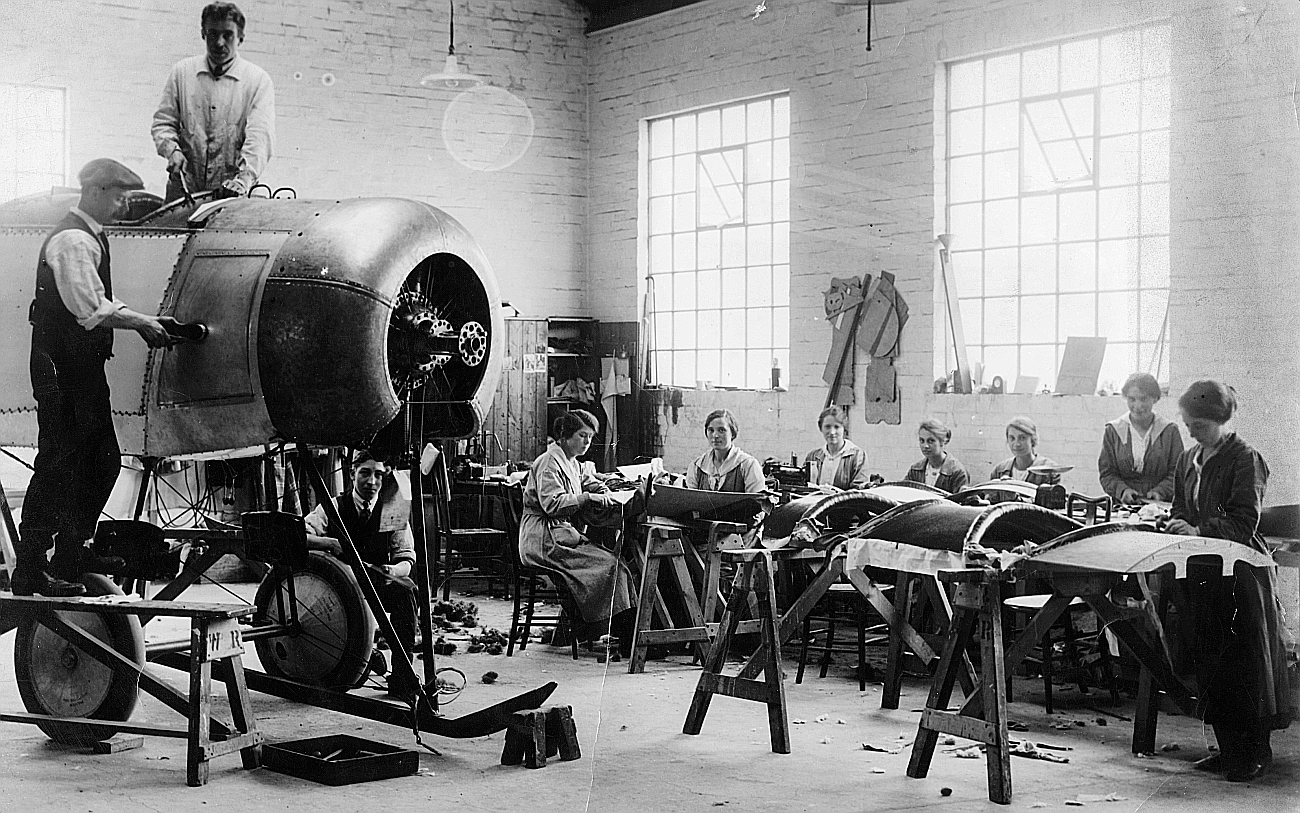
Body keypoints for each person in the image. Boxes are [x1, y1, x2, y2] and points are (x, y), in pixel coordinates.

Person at [12, 159, 171, 597]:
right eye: (119, 197)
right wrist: (142, 323)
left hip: (80, 367)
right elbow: (89, 309)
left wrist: (145, 318)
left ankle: (71, 553)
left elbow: (97, 298)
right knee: (59, 462)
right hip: (61, 368)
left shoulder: (91, 235)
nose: (124, 205)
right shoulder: (73, 239)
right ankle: (31, 568)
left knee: (102, 461)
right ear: (97, 192)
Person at [1163, 380, 1290, 782]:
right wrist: (1175, 523)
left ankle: (1256, 752)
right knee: (1212, 661)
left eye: (1199, 425)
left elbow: (1243, 520)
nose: (1191, 432)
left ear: (1221, 419)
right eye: (1187, 424)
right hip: (1203, 572)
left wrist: (1197, 529)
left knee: (1245, 663)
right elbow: (1180, 506)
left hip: (1241, 574)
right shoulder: (1189, 458)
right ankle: (1228, 749)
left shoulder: (1245, 458)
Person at [518, 410, 637, 655]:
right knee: (611, 565)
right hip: (544, 539)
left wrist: (602, 489)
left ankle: (612, 632)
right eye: (582, 436)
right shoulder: (549, 462)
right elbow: (552, 505)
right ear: (564, 436)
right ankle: (623, 637)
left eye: (590, 437)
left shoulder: (571, 461)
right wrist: (586, 498)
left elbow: (587, 480)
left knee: (614, 563)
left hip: (559, 535)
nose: (587, 442)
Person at [303, 449, 418, 679]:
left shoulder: (392, 509)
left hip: (375, 582)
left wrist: (393, 570)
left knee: (406, 591)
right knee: (354, 674)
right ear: (352, 474)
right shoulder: (334, 506)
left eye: (378, 475)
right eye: (365, 473)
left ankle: (402, 676)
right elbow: (300, 535)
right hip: (339, 588)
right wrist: (330, 542)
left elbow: (406, 558)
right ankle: (363, 657)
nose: (372, 481)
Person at [152, 2, 275, 202]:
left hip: (233, 194)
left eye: (228, 35)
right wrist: (172, 151)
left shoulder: (257, 81)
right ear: (203, 33)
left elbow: (260, 138)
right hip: (185, 190)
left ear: (241, 37)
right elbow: (163, 123)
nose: (219, 42)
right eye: (213, 34)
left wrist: (244, 179)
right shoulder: (182, 72)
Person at [1098, 372, 1184, 504]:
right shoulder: (1113, 430)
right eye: (1132, 399)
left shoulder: (1169, 431)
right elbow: (1107, 473)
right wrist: (1122, 491)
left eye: (1143, 399)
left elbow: (1178, 472)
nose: (1137, 406)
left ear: (1155, 398)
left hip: (1160, 506)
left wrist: (1161, 491)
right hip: (1122, 506)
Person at [687, 409, 765, 493]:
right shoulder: (697, 466)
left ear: (733, 433)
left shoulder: (748, 465)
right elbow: (691, 499)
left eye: (721, 430)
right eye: (711, 430)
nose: (715, 435)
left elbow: (756, 499)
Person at [804, 406, 870, 491]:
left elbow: (860, 491)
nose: (832, 432)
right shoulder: (813, 456)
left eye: (837, 427)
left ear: (844, 428)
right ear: (821, 428)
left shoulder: (858, 456)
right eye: (827, 427)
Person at [990, 416, 1062, 485]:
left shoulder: (1049, 470)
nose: (1017, 444)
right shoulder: (999, 470)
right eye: (1012, 438)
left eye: (1022, 438)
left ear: (1033, 439)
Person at [905, 417, 969, 493]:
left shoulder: (957, 472)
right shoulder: (915, 470)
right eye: (922, 441)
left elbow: (961, 499)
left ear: (942, 442)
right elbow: (904, 493)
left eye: (931, 441)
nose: (925, 446)